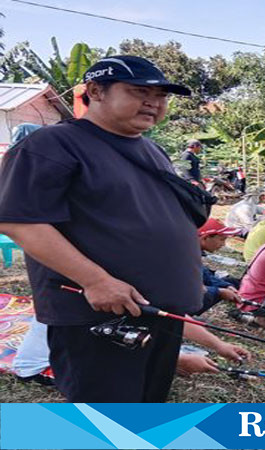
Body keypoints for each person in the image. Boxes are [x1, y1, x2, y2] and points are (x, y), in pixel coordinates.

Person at [0, 55, 203, 402]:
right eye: (139, 91)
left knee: (145, 407)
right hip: (100, 316)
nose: (153, 102)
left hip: (159, 312)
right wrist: (96, 280)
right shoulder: (52, 145)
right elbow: (20, 221)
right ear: (96, 91)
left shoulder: (151, 149)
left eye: (162, 96)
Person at [13, 313, 251, 384]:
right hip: (47, 366)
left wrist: (219, 345)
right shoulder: (101, 288)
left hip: (92, 349)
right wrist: (174, 360)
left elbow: (173, 317)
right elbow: (99, 346)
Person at [197, 218, 244, 315]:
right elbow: (188, 286)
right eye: (222, 239)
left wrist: (226, 286)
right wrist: (219, 292)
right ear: (205, 238)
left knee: (230, 282)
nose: (223, 244)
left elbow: (205, 274)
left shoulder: (195, 252)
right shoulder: (186, 255)